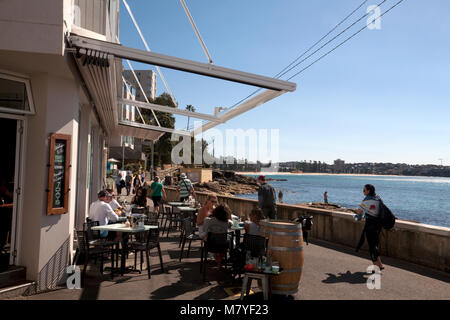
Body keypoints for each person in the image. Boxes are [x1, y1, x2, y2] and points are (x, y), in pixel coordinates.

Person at [355, 184, 384, 271]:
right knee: (375, 244)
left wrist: (357, 217)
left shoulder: (366, 201)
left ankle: (376, 267)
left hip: (370, 225)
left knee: (372, 246)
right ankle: (380, 265)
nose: (363, 192)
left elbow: (359, 211)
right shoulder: (378, 199)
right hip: (378, 225)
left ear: (368, 191)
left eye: (364, 190)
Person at [202, 204, 233, 269]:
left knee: (213, 241)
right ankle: (220, 262)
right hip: (223, 245)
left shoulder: (208, 220)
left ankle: (218, 261)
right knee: (227, 240)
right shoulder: (228, 222)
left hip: (210, 245)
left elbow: (204, 229)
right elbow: (231, 223)